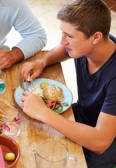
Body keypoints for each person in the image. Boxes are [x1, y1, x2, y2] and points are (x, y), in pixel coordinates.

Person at [20, 0, 116, 167]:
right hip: (83, 116)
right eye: (63, 33)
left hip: (105, 140)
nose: (63, 41)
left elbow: (100, 142)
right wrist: (42, 62)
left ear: (96, 37)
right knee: (30, 133)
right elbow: (64, 50)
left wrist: (43, 112)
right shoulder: (93, 46)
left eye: (69, 36)